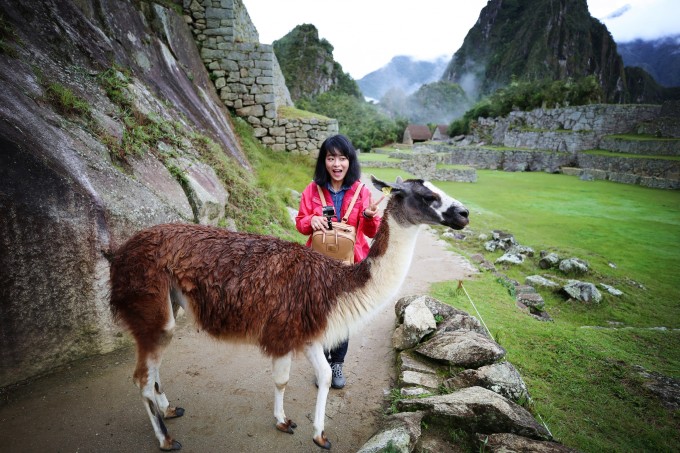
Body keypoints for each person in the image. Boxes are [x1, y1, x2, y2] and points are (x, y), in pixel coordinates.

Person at [295, 134, 383, 389]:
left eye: (342, 158)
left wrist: (368, 216)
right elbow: (301, 224)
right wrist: (310, 220)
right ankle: (322, 362)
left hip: (350, 264)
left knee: (343, 316)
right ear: (324, 161)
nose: (336, 164)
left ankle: (337, 363)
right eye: (331, 157)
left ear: (350, 161)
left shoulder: (361, 192)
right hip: (318, 264)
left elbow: (369, 231)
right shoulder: (312, 190)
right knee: (320, 314)